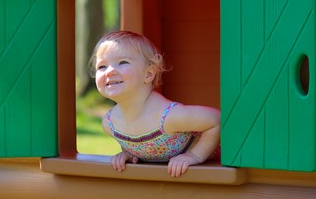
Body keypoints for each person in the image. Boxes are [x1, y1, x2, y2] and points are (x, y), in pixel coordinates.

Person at [88, 31, 221, 177]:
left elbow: (216, 120)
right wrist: (128, 153)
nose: (109, 71)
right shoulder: (110, 124)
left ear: (149, 74)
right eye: (102, 66)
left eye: (123, 62)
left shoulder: (168, 117)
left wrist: (195, 156)